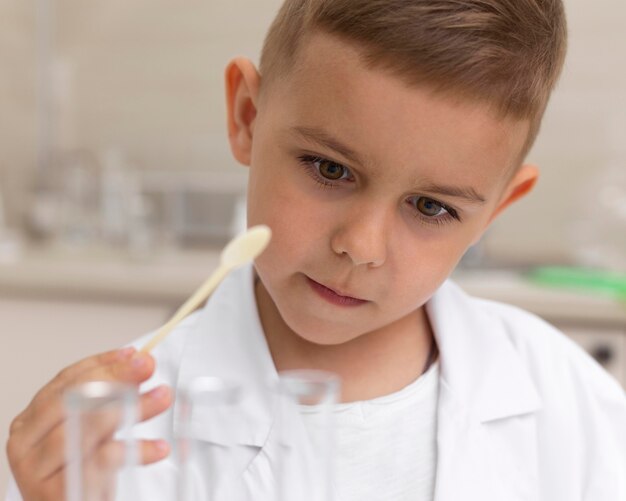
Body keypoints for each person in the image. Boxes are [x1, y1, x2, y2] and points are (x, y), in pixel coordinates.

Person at [6, 0, 626, 500]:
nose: (359, 247)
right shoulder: (114, 436)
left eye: (432, 207)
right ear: (248, 115)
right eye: (329, 169)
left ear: (496, 210)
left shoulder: (572, 402)